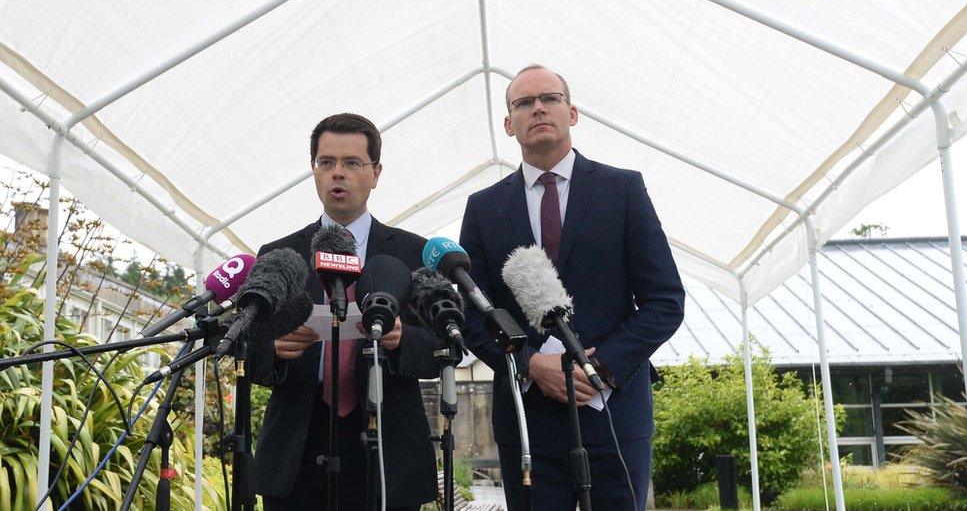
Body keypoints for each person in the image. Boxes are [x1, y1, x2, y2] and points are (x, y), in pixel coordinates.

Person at [459, 65, 685, 509]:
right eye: (523, 103)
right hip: (528, 423)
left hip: (615, 415)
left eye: (550, 98)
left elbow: (665, 300)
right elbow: (473, 313)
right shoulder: (483, 208)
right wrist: (529, 365)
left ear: (572, 112)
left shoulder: (623, 190)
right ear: (509, 124)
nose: (538, 108)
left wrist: (602, 368)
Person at [248, 113, 440, 510]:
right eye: (326, 162)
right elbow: (247, 349)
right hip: (298, 446)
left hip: (386, 444)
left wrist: (403, 339)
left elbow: (442, 347)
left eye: (352, 163)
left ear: (376, 172)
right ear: (314, 170)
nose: (338, 173)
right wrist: (275, 347)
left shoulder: (411, 252)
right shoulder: (279, 255)